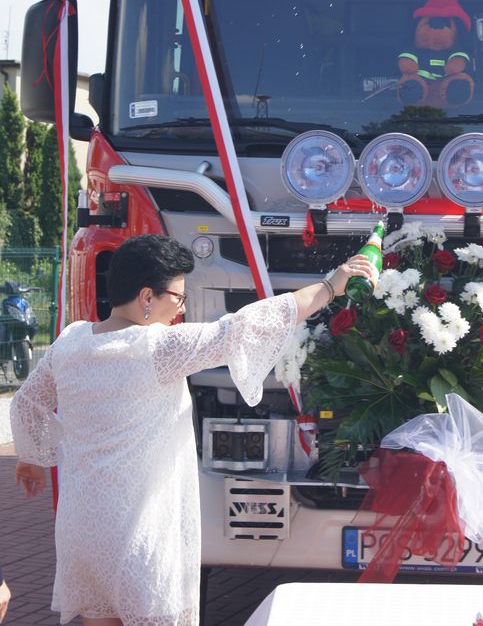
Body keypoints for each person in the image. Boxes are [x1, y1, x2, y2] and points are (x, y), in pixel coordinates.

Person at [10, 234, 373, 626]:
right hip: (139, 533)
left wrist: (31, 459)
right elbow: (249, 324)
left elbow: (27, 403)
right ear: (147, 297)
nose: (181, 309)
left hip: (82, 527)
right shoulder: (159, 348)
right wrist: (330, 287)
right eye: (178, 298)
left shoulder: (69, 341)